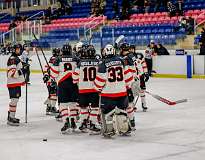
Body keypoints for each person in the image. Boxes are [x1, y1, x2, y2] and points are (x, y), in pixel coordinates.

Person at [94, 44, 134, 137]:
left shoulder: (103, 64)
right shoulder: (122, 61)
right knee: (122, 111)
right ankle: (124, 129)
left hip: (108, 94)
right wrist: (127, 86)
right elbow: (129, 78)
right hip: (122, 93)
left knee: (108, 113)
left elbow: (99, 82)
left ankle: (109, 131)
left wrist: (97, 88)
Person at [51, 44, 79, 134]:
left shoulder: (58, 59)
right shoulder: (76, 58)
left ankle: (66, 121)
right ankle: (73, 121)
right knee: (73, 103)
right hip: (74, 84)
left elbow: (54, 74)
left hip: (62, 84)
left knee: (63, 104)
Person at [73, 45, 100, 134]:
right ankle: (93, 124)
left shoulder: (80, 63)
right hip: (94, 89)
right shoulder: (98, 62)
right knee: (95, 108)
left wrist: (77, 82)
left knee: (83, 108)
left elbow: (75, 76)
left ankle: (82, 123)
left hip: (82, 90)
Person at [6, 44, 26, 126]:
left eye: (19, 49)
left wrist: (23, 66)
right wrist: (22, 71)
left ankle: (11, 116)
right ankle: (11, 118)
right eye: (17, 49)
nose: (19, 50)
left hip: (15, 83)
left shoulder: (16, 58)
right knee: (14, 100)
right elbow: (11, 73)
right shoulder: (13, 59)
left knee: (15, 99)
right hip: (13, 83)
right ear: (14, 50)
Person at [130, 45, 149, 112]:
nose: (131, 50)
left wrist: (146, 73)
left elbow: (144, 64)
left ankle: (144, 104)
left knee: (142, 91)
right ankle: (132, 105)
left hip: (140, 76)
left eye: (132, 49)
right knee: (132, 92)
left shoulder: (139, 55)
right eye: (130, 49)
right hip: (133, 78)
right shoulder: (128, 57)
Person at [43, 48, 60, 116]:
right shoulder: (56, 59)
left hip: (49, 80)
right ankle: (52, 107)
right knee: (54, 94)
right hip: (52, 79)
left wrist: (45, 75)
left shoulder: (51, 59)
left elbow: (46, 68)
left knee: (51, 93)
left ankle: (48, 107)